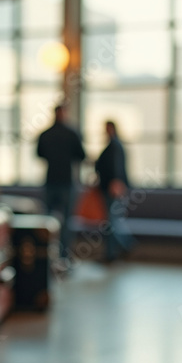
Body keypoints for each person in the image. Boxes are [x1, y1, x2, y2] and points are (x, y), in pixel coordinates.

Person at [36, 103, 86, 259]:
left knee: (48, 220)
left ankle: (48, 255)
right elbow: (82, 156)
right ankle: (63, 256)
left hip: (51, 181)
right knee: (67, 222)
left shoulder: (45, 134)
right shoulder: (72, 134)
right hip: (66, 182)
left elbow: (39, 154)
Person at [94, 120, 135, 263]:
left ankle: (127, 244)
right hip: (107, 188)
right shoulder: (112, 145)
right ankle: (110, 254)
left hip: (113, 190)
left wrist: (116, 183)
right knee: (110, 223)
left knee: (112, 223)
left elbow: (116, 167)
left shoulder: (115, 146)